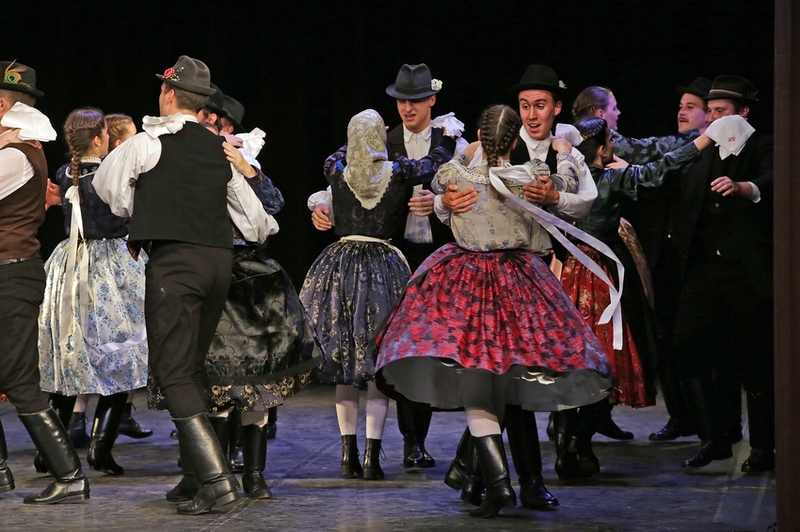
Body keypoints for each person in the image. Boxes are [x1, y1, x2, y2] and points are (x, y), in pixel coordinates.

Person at [376, 104, 613, 518]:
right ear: (513, 138)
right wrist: (567, 152)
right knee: (505, 381)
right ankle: (495, 481)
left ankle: (497, 482)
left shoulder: (455, 174)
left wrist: (465, 161)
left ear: (480, 139)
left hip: (467, 283)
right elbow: (569, 185)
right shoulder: (532, 176)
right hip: (518, 281)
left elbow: (439, 180)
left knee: (479, 385)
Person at [93, 55, 277, 515]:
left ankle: (217, 481)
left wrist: (143, 209)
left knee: (173, 371)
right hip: (217, 263)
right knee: (191, 369)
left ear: (170, 94)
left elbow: (107, 187)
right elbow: (257, 223)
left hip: (175, 264)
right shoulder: (219, 149)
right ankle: (197, 477)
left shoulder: (147, 143)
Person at [309, 63, 468, 470]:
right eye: (400, 101)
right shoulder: (389, 151)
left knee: (415, 350)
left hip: (430, 253)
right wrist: (321, 204)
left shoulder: (448, 141)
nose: (407, 108)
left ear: (432, 100)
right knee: (380, 353)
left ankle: (410, 440)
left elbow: (460, 183)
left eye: (416, 100)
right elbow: (423, 164)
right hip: (392, 256)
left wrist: (439, 202)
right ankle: (387, 447)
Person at [560, 114, 737, 476]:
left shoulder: (564, 181)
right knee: (605, 366)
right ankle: (576, 440)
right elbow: (662, 169)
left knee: (571, 364)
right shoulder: (609, 180)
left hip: (566, 275)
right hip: (600, 280)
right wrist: (705, 140)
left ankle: (571, 444)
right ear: (603, 148)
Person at [191, 92, 323, 501]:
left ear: (226, 126)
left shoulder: (245, 160)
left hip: (251, 281)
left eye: (210, 120)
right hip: (211, 271)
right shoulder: (191, 157)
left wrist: (247, 168)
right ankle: (217, 474)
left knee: (258, 382)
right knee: (216, 382)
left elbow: (275, 204)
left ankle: (254, 474)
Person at [666, 75, 774, 471]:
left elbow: (772, 181)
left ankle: (763, 448)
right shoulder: (701, 148)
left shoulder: (762, 145)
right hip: (702, 271)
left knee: (754, 362)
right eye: (709, 112)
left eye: (721, 112)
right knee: (686, 349)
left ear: (742, 112)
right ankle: (715, 437)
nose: (713, 119)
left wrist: (744, 187)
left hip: (745, 273)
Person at [37, 108, 149, 477]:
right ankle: (100, 449)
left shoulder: (64, 173)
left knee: (72, 358)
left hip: (70, 265)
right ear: (100, 139)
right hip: (110, 268)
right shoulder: (110, 172)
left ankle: (49, 451)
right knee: (120, 359)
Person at [0, 59, 90, 504]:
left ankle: (70, 474)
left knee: (19, 379)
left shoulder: (16, 154)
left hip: (11, 274)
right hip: (8, 271)